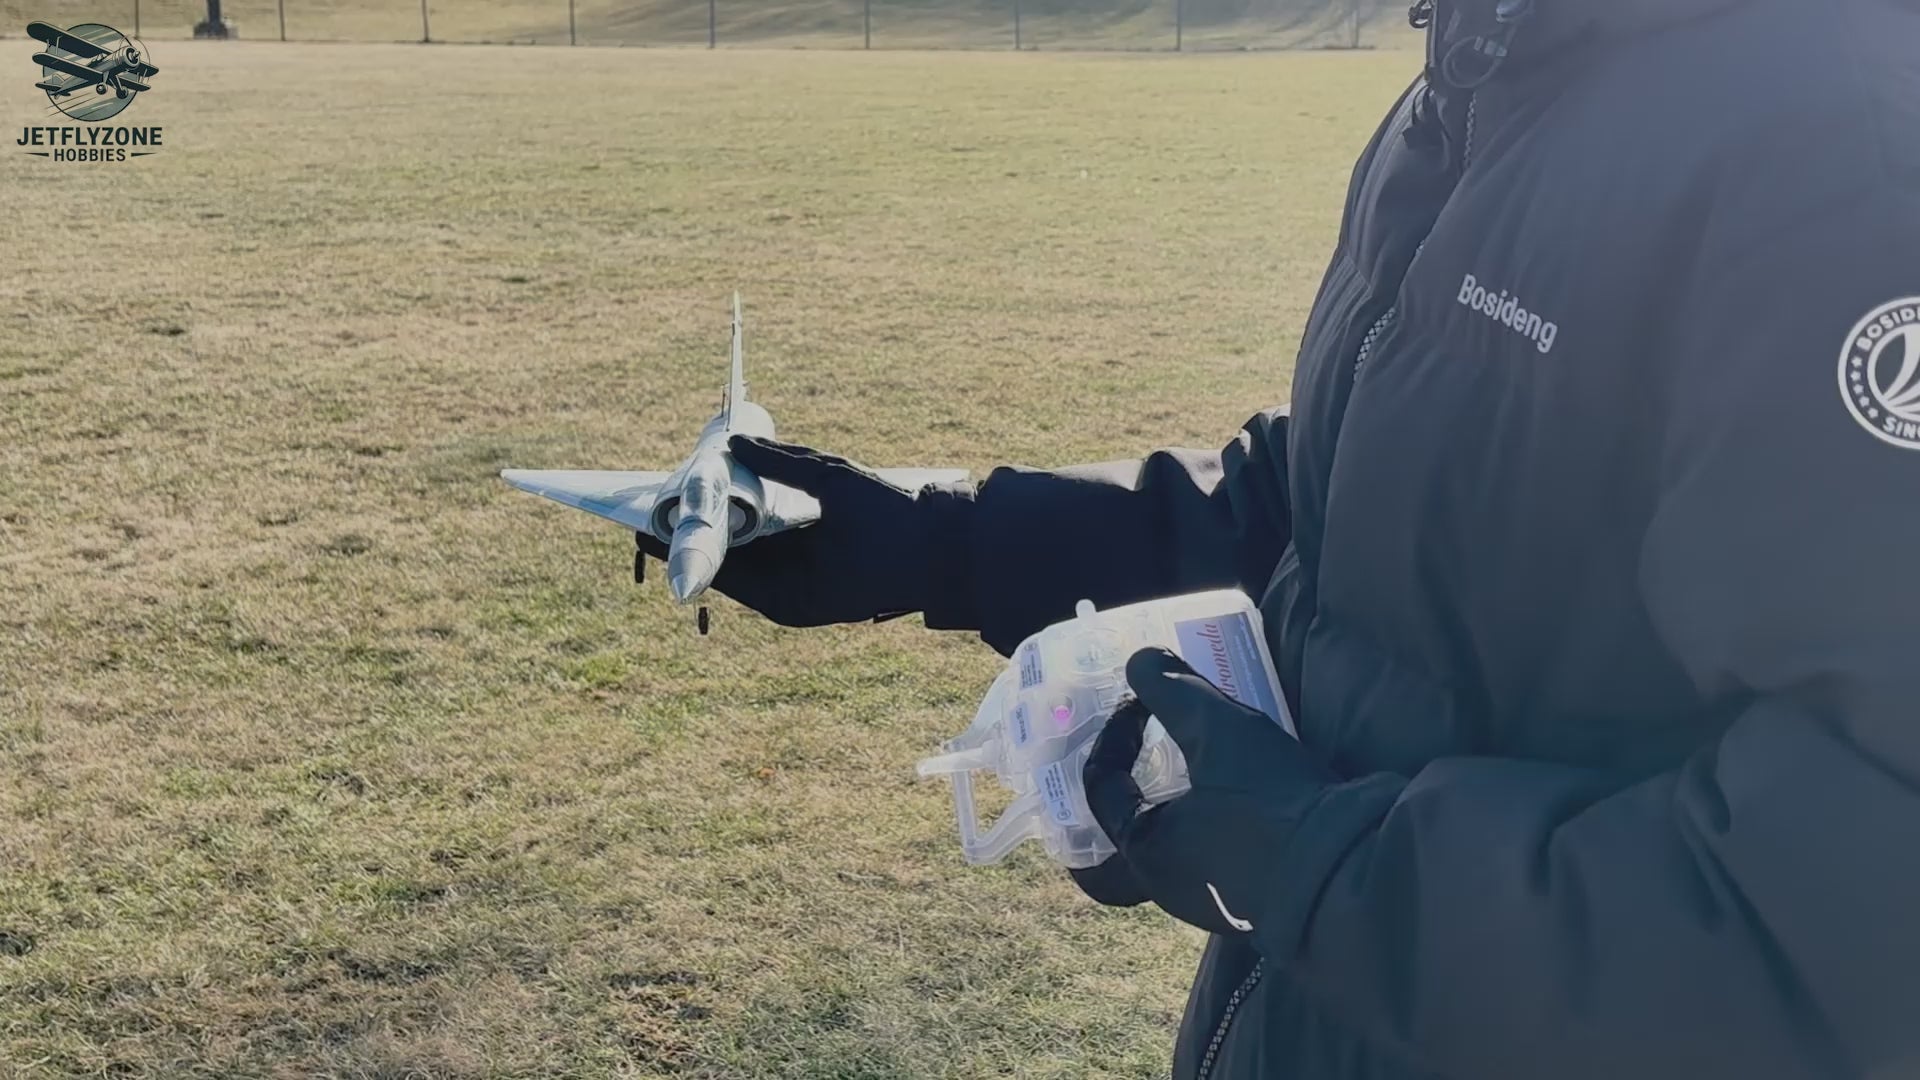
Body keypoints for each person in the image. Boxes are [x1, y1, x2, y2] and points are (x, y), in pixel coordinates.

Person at [639, 0, 1920, 1076]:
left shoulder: (1845, 152)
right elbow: (1343, 498)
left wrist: (1325, 868)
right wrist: (948, 544)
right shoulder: (1490, 62)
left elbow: (1859, 912)